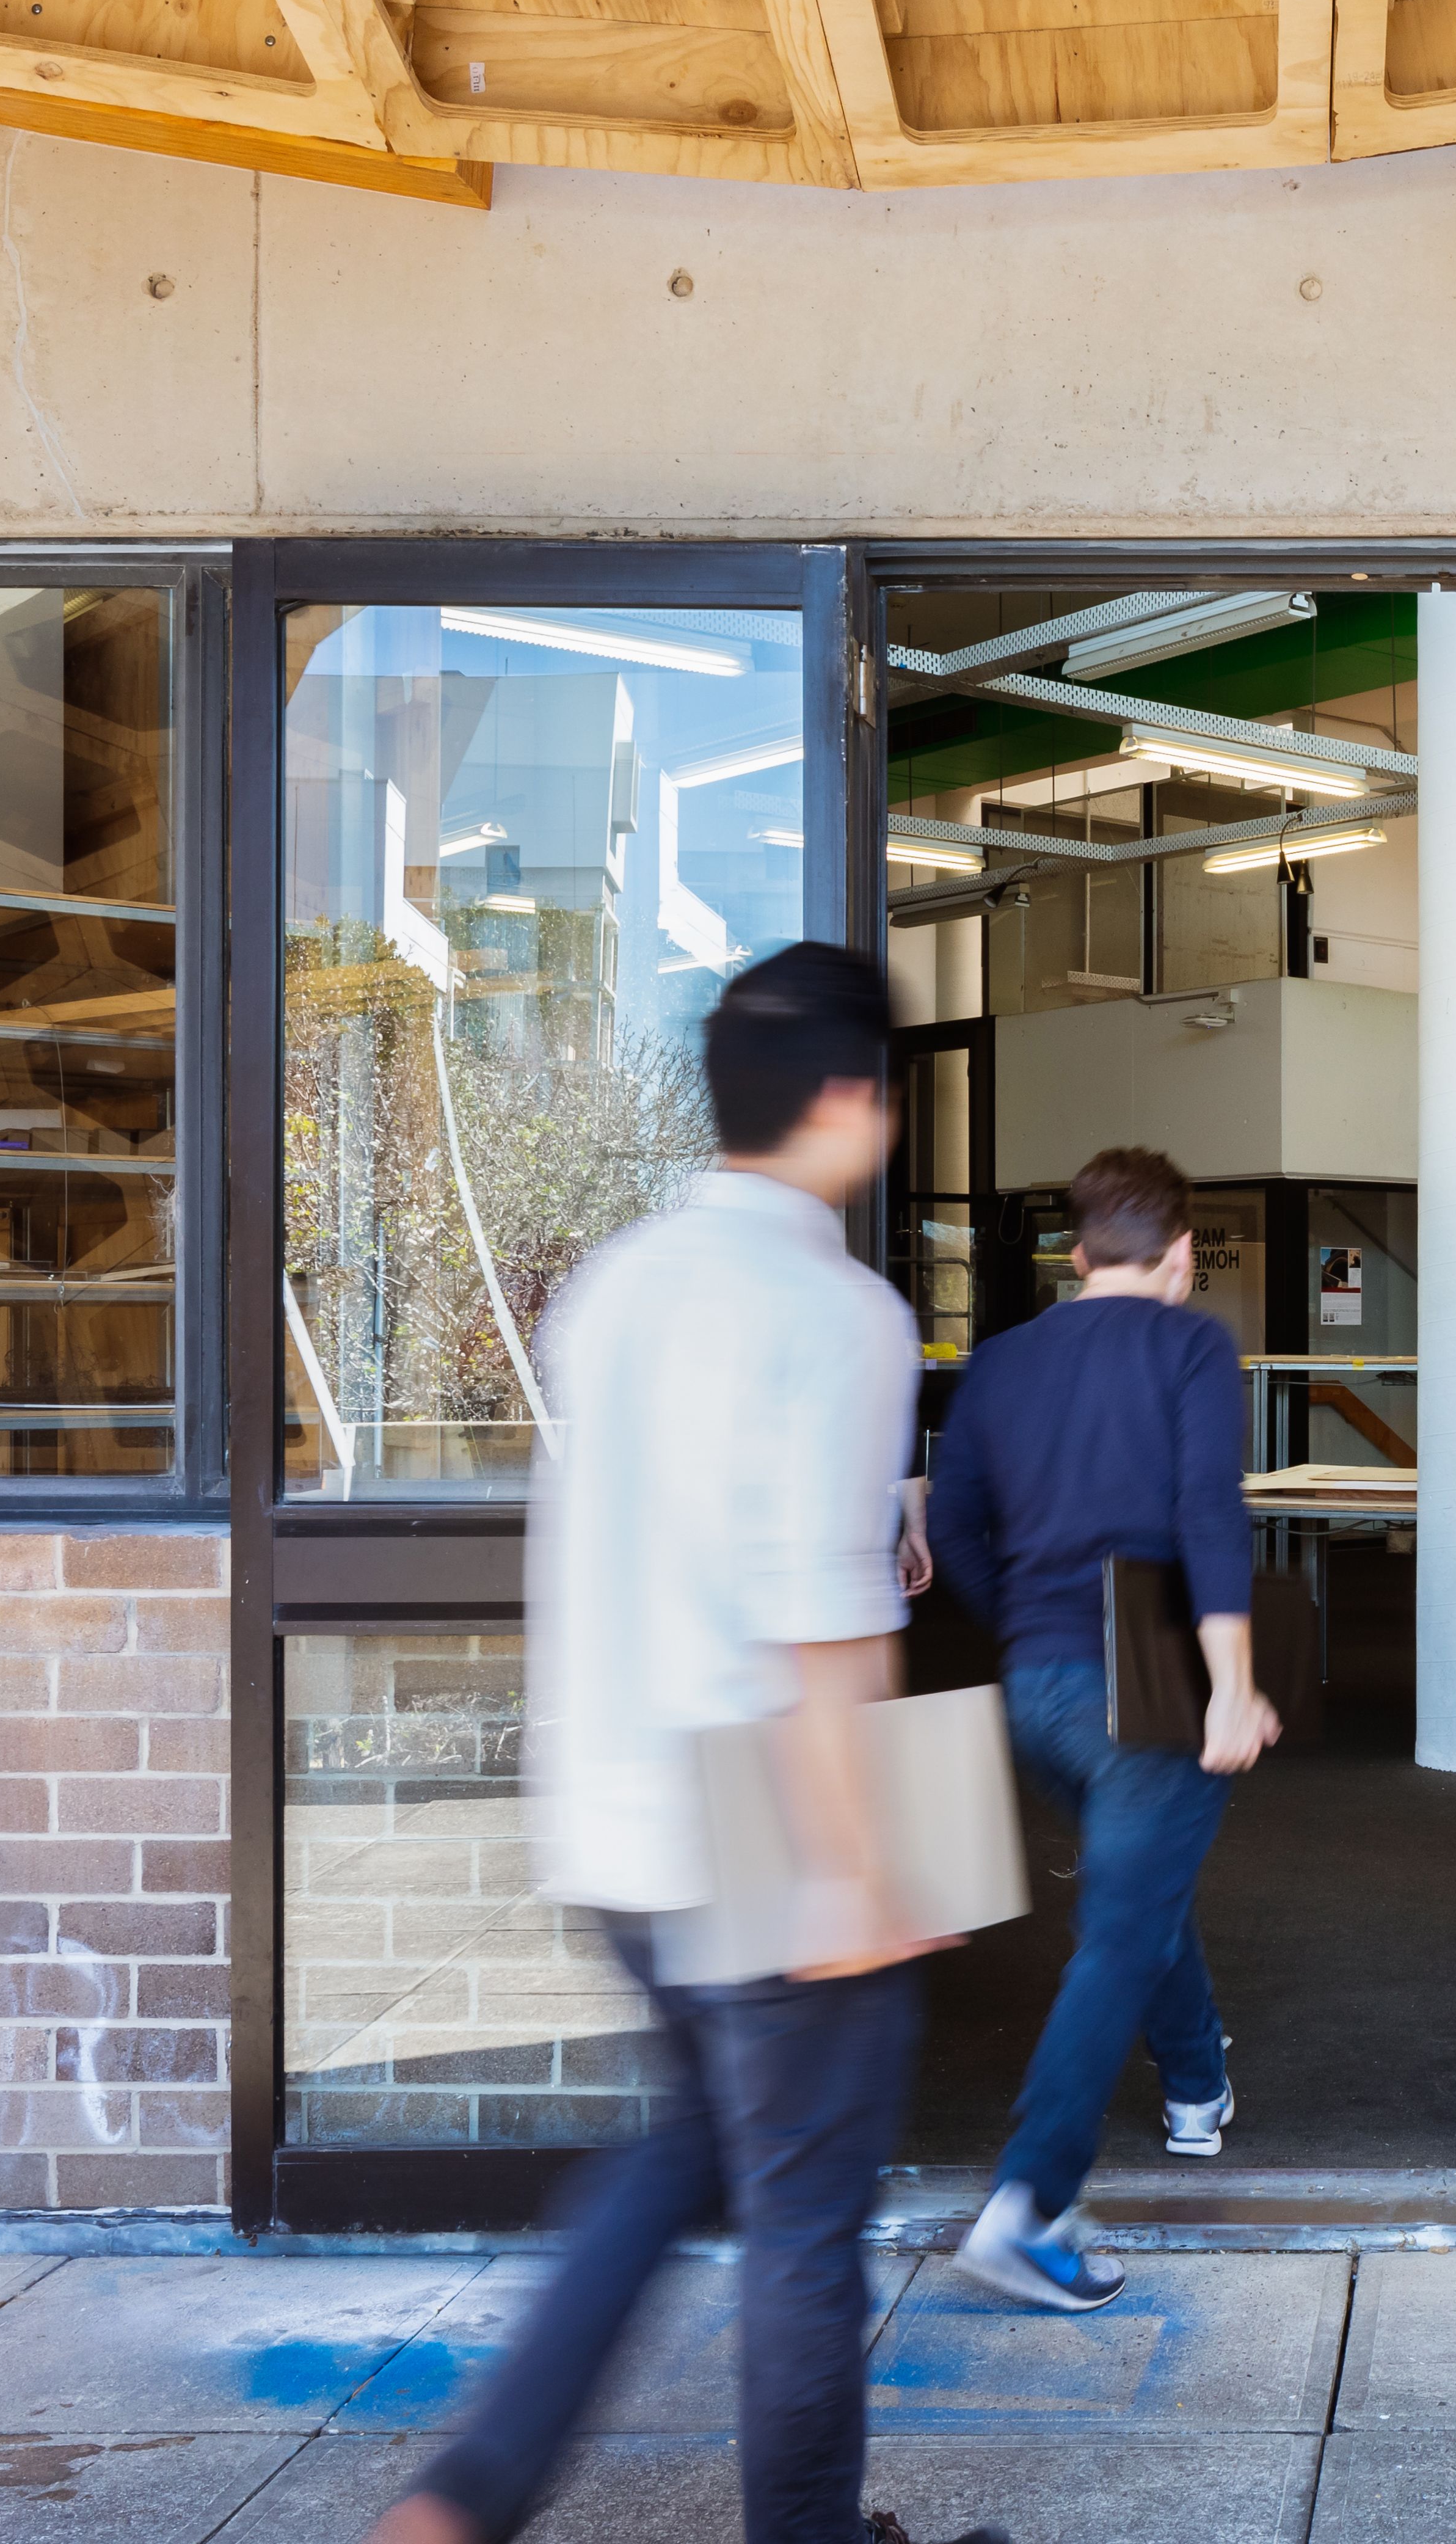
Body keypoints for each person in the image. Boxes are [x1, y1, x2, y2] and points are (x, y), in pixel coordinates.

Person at [369, 943, 984, 2544]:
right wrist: (865, 1875)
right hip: (767, 1821)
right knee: (803, 2231)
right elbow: (825, 1627)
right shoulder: (841, 1311)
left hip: (612, 1810)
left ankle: (470, 2489)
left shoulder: (616, 1283)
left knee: (676, 2160)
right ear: (853, 1100)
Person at [926, 1143, 1278, 2311]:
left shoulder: (1004, 1360)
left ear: (1076, 1257)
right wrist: (1230, 1680)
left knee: (1143, 1889)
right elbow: (1206, 1517)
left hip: (1037, 1687)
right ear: (1181, 1254)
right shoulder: (1191, 1345)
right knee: (1120, 1929)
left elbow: (962, 1532)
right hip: (1152, 1677)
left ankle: (1195, 2090)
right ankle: (1029, 2207)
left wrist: (1034, 1625)